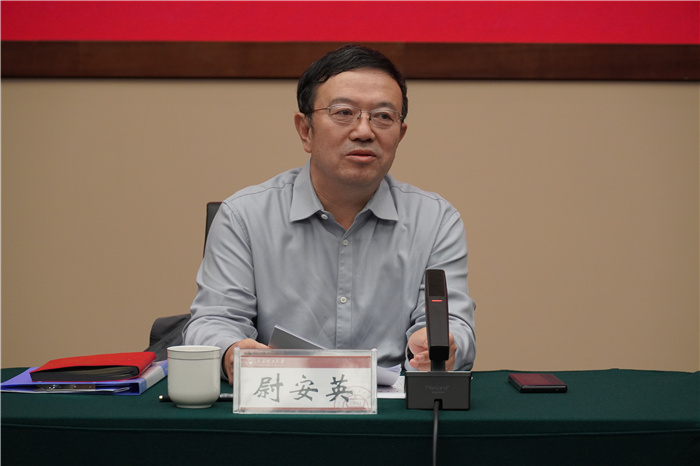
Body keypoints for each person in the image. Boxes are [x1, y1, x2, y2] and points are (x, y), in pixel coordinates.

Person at [183, 45, 476, 384]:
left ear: (400, 134)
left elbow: (454, 326)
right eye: (344, 112)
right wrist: (231, 351)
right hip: (280, 399)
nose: (364, 131)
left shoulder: (436, 221)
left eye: (383, 116)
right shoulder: (244, 216)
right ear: (305, 130)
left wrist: (441, 346)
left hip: (393, 407)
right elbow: (212, 321)